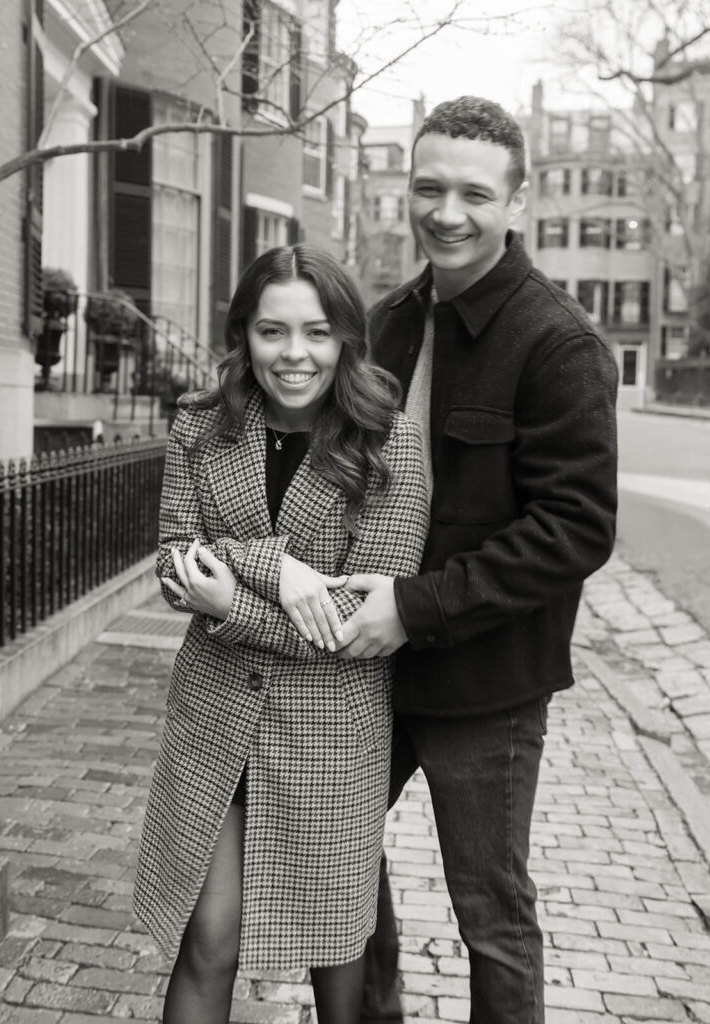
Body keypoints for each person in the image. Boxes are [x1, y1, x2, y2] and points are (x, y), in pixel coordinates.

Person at [292, 97, 618, 1022]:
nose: (447, 212)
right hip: (368, 668)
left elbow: (575, 528)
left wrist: (416, 606)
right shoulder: (385, 320)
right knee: (340, 865)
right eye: (428, 187)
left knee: (492, 915)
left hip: (487, 686)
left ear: (519, 199)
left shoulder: (558, 342)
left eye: (474, 193)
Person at [133, 244, 429, 1024]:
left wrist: (233, 599)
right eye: (272, 332)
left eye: (317, 333)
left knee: (339, 964)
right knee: (208, 943)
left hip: (330, 733)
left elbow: (357, 624)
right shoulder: (202, 425)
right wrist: (283, 570)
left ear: (345, 341)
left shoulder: (389, 441)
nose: (294, 355)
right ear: (244, 334)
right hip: (214, 723)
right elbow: (173, 562)